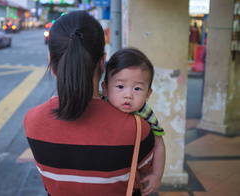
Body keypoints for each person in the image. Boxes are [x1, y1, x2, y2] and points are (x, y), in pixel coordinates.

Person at [24, 11, 155, 196]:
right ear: (103, 62)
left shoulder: (32, 121)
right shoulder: (138, 129)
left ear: (51, 65)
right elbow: (144, 176)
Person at [101, 47, 166, 194]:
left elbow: (159, 145)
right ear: (105, 88)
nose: (128, 95)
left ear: (148, 94)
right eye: (120, 86)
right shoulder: (98, 103)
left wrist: (157, 175)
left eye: (137, 89)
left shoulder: (146, 113)